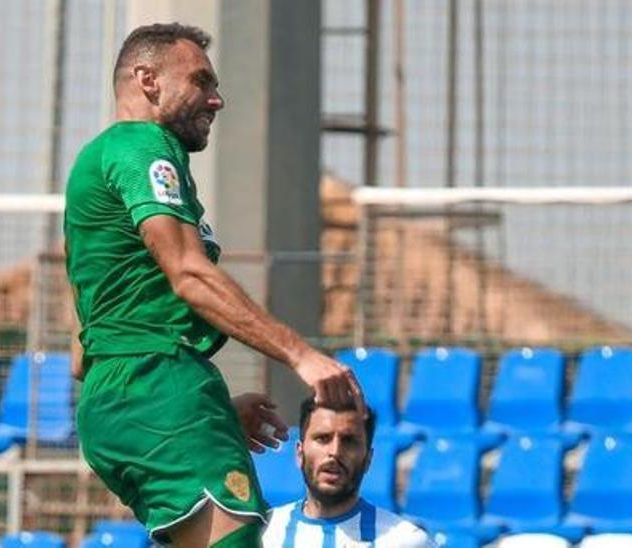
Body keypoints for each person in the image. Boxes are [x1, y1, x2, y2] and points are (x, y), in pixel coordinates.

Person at [64, 23, 365, 548]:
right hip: (156, 386)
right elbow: (189, 274)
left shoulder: (100, 161)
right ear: (147, 80)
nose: (217, 98)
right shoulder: (143, 147)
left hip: (127, 394)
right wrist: (300, 355)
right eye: (201, 80)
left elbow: (82, 351)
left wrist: (210, 411)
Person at [262, 398, 436, 547]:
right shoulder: (263, 534)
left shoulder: (406, 541)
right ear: (299, 453)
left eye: (349, 441)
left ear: (368, 459)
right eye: (323, 438)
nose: (335, 452)